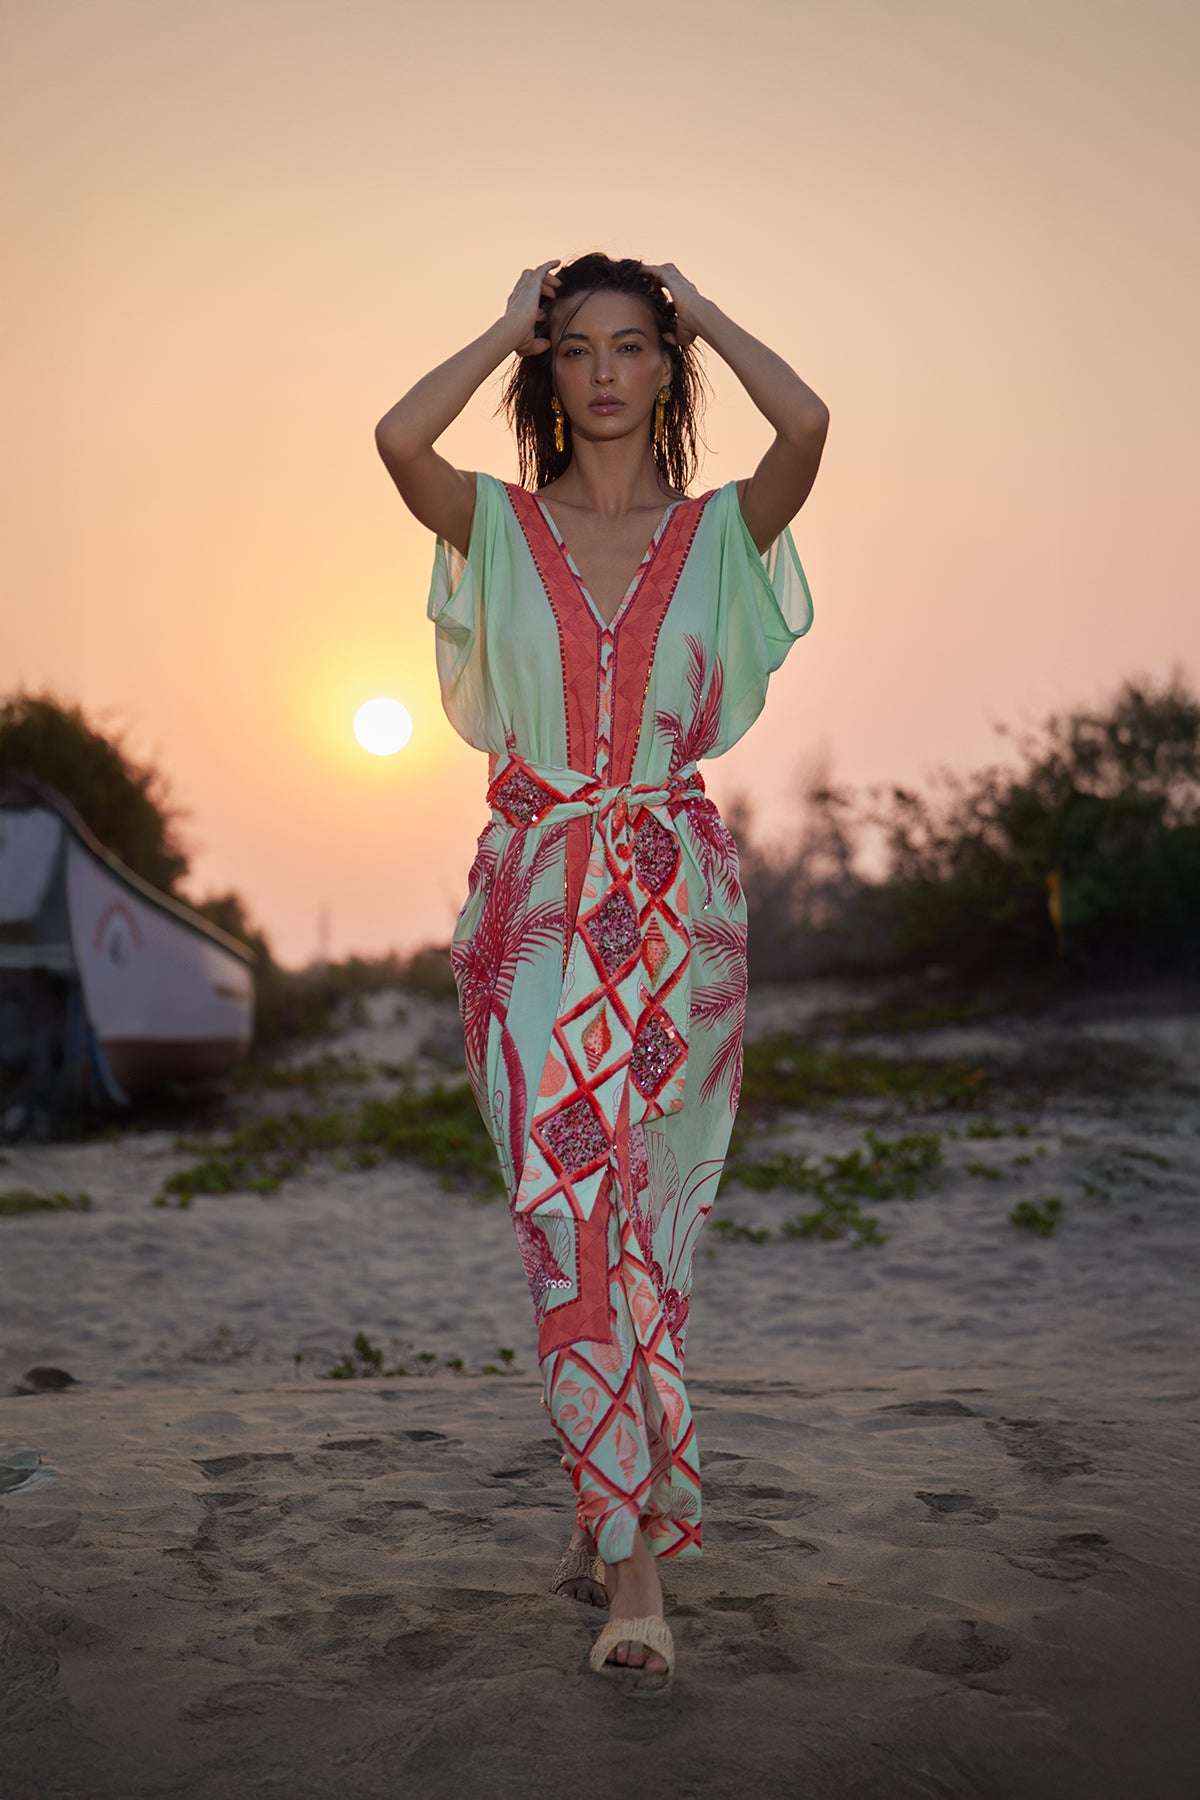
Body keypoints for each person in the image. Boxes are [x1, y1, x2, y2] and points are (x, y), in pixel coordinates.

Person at [374, 253, 828, 1681]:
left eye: (635, 348)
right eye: (577, 351)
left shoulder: (721, 535)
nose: (607, 373)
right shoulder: (495, 525)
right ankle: (636, 1576)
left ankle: (604, 1503)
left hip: (680, 919)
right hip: (537, 917)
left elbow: (808, 426)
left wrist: (708, 307)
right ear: (548, 373)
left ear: (668, 367)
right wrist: (508, 318)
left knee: (654, 1237)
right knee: (568, 1216)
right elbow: (396, 439)